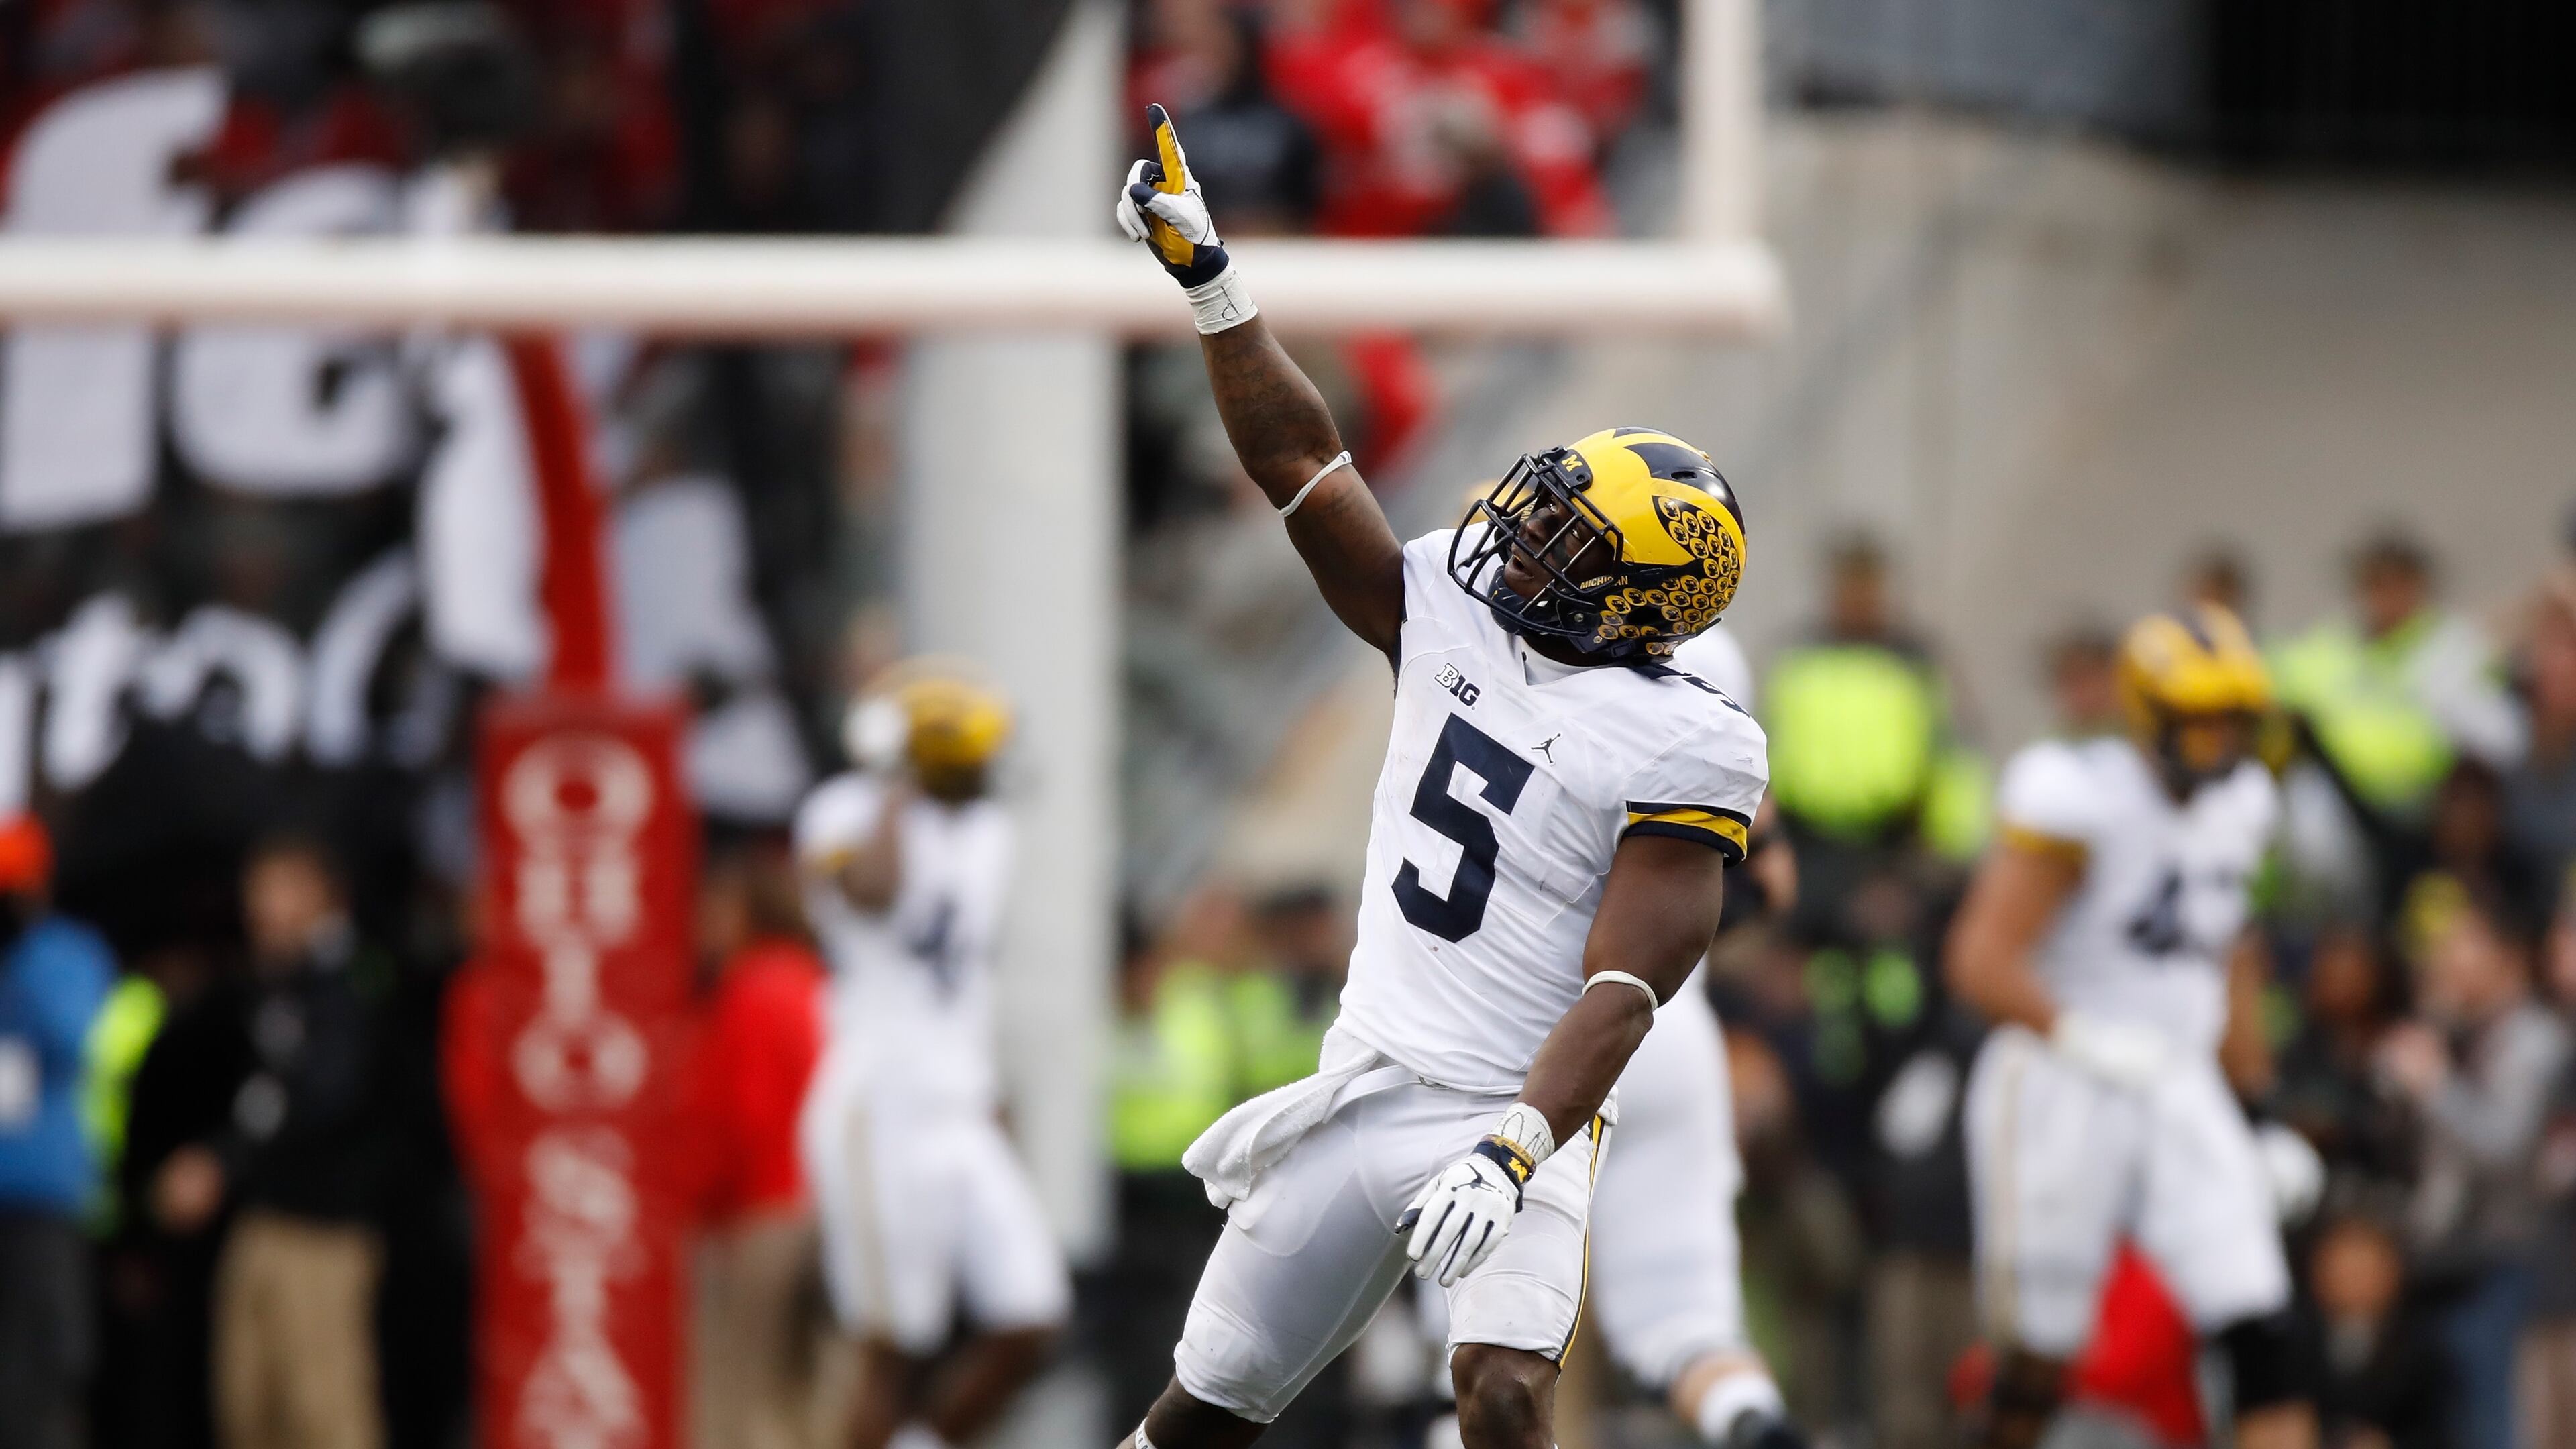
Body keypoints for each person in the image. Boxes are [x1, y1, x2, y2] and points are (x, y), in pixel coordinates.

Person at [1114, 107, 1766, 1449]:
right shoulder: (1456, 614)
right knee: (1201, 1418)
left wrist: (1520, 1143)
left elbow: (1631, 983)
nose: (1517, 548)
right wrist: (1211, 282)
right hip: (1366, 1085)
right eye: (1537, 516)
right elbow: (1302, 460)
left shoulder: (1689, 739)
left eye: (1565, 546)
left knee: (1508, 1390)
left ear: (1641, 608)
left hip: (1513, 1105)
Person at [1945, 606, 2314, 1449]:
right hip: (2058, 1077)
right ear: (2152, 715)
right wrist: (2079, 1035)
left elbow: (2230, 958)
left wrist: (2259, 1110)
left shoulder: (2246, 805)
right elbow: (1978, 957)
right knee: (2040, 1350)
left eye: (2234, 722)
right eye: (2203, 721)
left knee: (2259, 1322)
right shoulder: (2082, 797)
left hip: (2179, 1078)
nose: (2221, 744)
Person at [794, 667, 1070, 1449]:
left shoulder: (987, 832)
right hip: (878, 1103)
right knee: (891, 1344)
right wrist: (895, 779)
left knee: (1031, 1313)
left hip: (958, 1105)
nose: (981, 777)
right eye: (962, 762)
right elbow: (873, 891)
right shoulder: (845, 811)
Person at [172, 836, 390, 1449]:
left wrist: (223, 1159)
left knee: (322, 1411)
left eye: (274, 889)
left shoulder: (354, 979)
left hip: (323, 1229)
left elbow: (322, 1095)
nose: (257, 907)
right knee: (247, 1406)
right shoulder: (274, 983)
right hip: (264, 1216)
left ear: (320, 893)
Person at [2377, 894, 2570, 1449]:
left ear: (2508, 955)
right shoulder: (2452, 1030)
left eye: (2462, 941)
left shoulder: (2535, 1038)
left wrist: (2435, 1086)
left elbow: (2506, 1149)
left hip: (2506, 1270)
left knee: (2496, 1431)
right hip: (2440, 1264)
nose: (2442, 955)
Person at [688, 839, 832, 1449]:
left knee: (743, 1388)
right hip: (824, 1207)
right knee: (813, 1385)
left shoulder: (748, 987)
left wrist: (702, 1206)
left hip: (759, 1209)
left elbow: (741, 1114)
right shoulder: (816, 980)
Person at [0, 813, 114, 1449]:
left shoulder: (64, 953)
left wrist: (23, 949)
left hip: (44, 1202)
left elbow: (79, 1038)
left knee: (44, 1369)